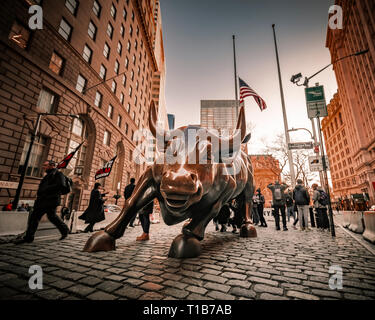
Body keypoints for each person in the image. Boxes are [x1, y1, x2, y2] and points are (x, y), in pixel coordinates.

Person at [14, 160, 70, 244]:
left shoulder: (58, 174)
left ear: (52, 166)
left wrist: (46, 188)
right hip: (42, 200)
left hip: (51, 200)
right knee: (36, 217)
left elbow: (61, 185)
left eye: (45, 165)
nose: (43, 167)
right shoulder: (48, 175)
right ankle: (29, 237)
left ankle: (65, 230)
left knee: (50, 217)